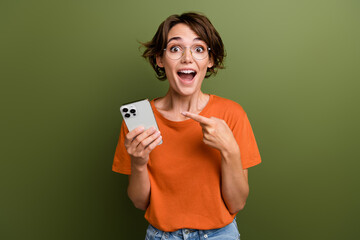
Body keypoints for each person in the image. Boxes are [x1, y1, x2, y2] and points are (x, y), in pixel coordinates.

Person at [113, 12, 261, 240]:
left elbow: (237, 202)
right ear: (159, 59)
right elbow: (140, 202)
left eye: (199, 49)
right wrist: (139, 163)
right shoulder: (139, 123)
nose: (187, 58)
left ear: (210, 61)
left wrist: (229, 150)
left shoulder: (232, 114)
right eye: (175, 48)